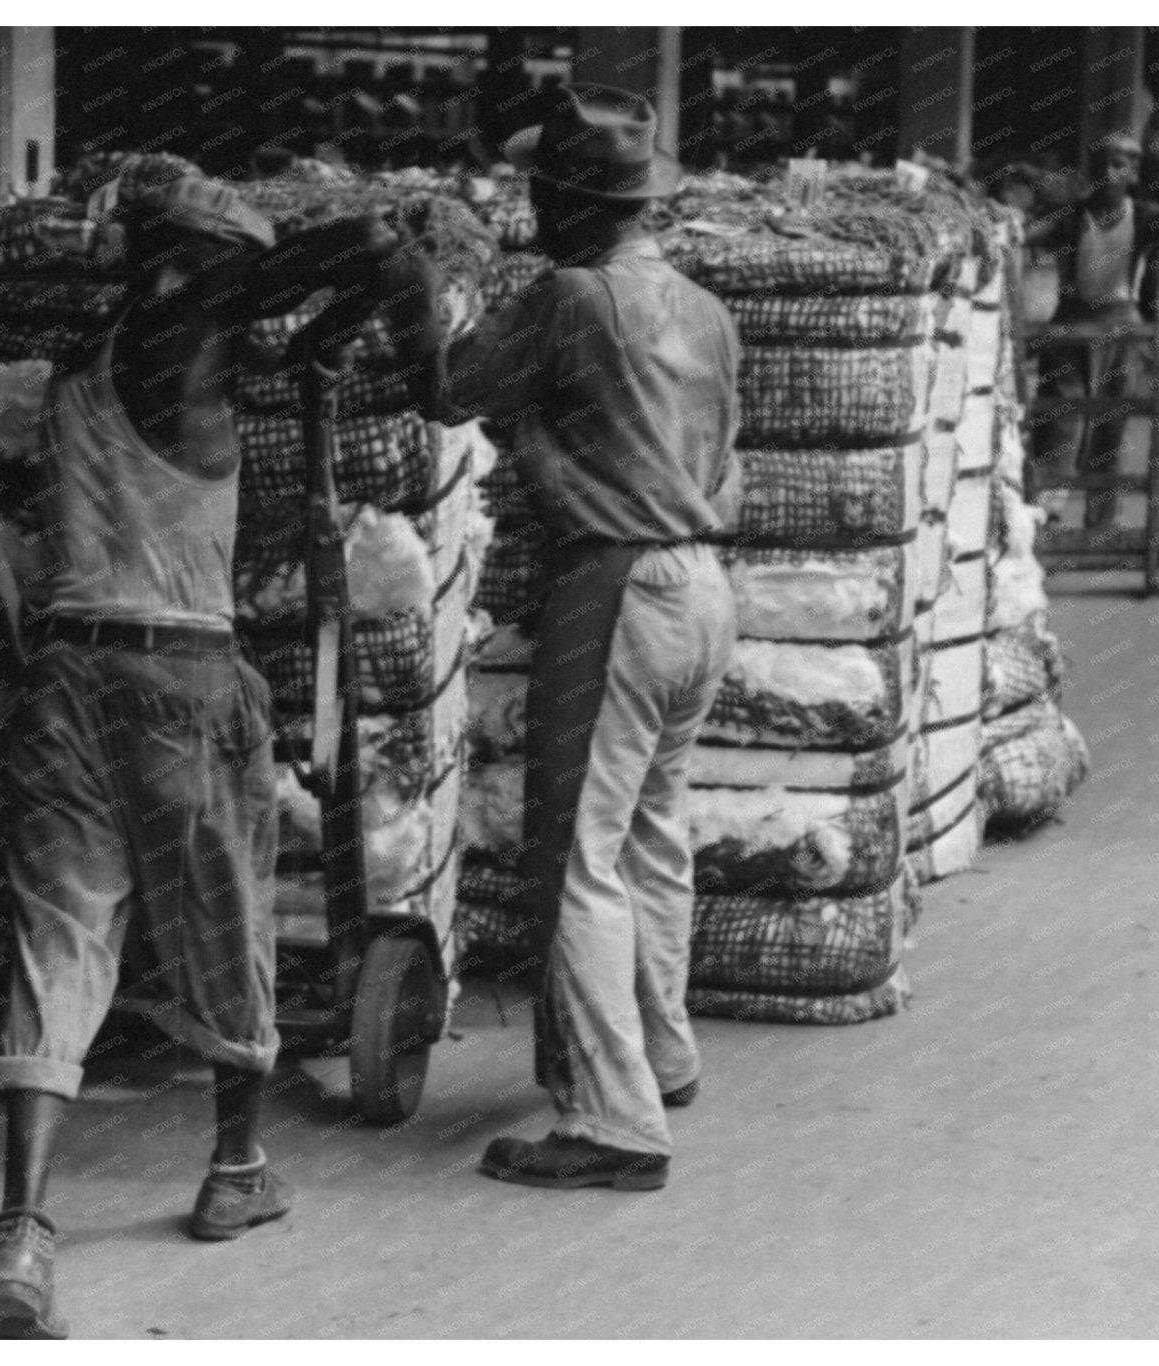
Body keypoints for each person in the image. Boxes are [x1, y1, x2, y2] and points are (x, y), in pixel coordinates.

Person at [0, 175, 404, 1338]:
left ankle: (22, 1230)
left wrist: (301, 334)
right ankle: (235, 1167)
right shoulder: (186, 338)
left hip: (63, 677)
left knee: (58, 940)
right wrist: (330, 315)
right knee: (224, 922)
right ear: (201, 269)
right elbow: (367, 241)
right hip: (179, 679)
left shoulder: (81, 363)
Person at [395, 83, 743, 1191]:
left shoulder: (570, 297)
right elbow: (716, 466)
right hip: (701, 588)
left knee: (574, 856)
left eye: (545, 194)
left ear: (576, 205)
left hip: (617, 585)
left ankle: (613, 1123)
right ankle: (663, 1055)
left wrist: (410, 291)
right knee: (651, 833)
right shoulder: (704, 310)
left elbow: (447, 389)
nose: (533, 212)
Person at [1026, 132, 1159, 528]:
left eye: (1119, 165)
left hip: (1122, 332)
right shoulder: (1073, 216)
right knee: (1060, 420)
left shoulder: (1145, 215)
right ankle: (1046, 513)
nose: (1109, 172)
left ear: (1133, 172)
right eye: (1102, 164)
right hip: (1071, 328)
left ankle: (1101, 521)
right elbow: (1031, 235)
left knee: (1110, 426)